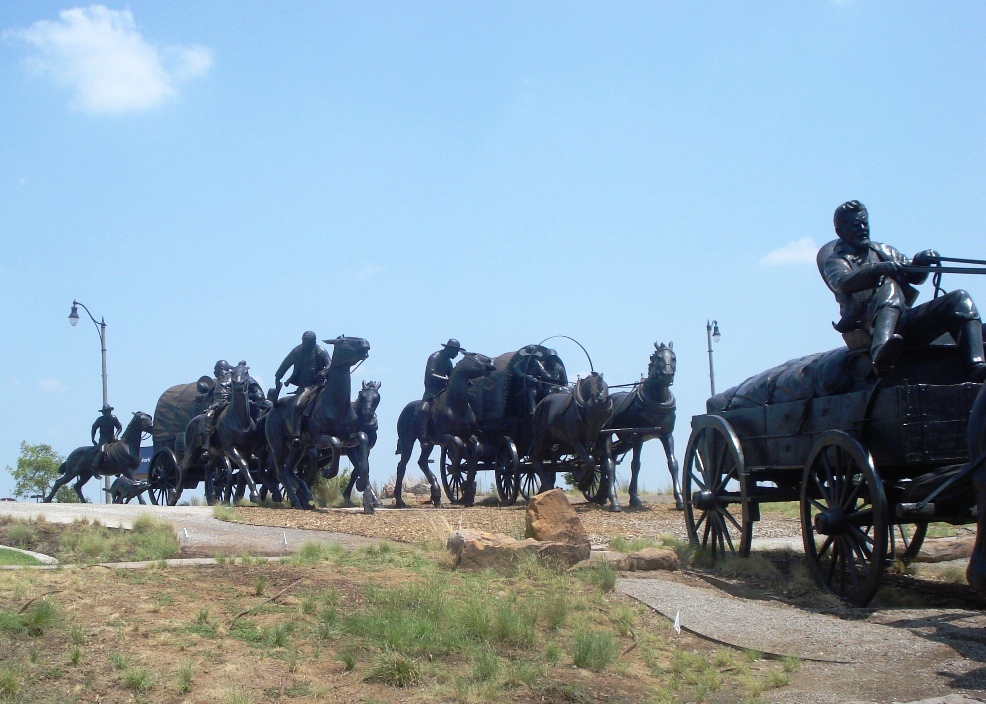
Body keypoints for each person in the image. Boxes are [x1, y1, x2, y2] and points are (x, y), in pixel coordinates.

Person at [818, 200, 986, 379]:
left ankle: (976, 364)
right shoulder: (836, 261)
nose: (862, 228)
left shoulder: (883, 250)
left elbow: (915, 276)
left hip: (903, 321)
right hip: (869, 326)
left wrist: (921, 261)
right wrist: (877, 270)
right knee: (889, 285)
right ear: (840, 232)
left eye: (864, 223)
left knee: (960, 299)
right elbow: (842, 282)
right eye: (855, 225)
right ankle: (880, 353)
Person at [197, 360, 233, 455]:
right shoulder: (218, 381)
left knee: (208, 418)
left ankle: (206, 447)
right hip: (216, 405)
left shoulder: (232, 377)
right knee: (208, 416)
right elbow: (209, 395)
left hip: (225, 403)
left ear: (221, 368)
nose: (214, 372)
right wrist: (202, 397)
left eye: (215, 369)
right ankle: (207, 446)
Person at [422, 339, 463, 410]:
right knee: (422, 410)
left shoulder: (448, 362)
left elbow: (451, 375)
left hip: (444, 390)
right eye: (455, 351)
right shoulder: (435, 357)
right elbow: (430, 374)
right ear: (449, 349)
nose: (456, 354)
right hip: (432, 392)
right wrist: (447, 379)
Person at [90, 404, 122, 473]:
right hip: (103, 439)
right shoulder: (100, 420)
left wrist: (116, 435)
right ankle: (95, 465)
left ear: (109, 411)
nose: (105, 413)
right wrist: (93, 439)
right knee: (102, 450)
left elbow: (119, 427)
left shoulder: (114, 418)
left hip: (112, 439)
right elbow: (94, 428)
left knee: (120, 449)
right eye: (104, 412)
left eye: (106, 412)